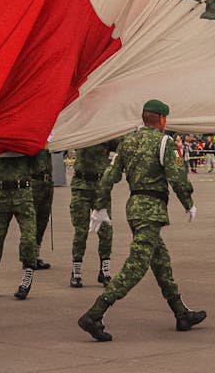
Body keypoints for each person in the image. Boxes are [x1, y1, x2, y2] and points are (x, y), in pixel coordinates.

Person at [77, 98, 204, 342]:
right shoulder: (165, 142)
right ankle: (95, 313)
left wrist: (100, 206)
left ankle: (181, 313)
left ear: (144, 119)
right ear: (163, 120)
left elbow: (108, 176)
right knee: (136, 265)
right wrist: (188, 203)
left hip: (134, 208)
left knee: (161, 263)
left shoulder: (127, 142)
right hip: (151, 210)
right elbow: (177, 177)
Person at [0, 150, 39, 300]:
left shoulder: (24, 142)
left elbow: (39, 166)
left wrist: (42, 148)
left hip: (23, 194)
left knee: (29, 238)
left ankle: (27, 276)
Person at [70, 141, 114, 288]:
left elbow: (120, 144)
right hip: (81, 186)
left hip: (101, 187)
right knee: (81, 231)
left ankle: (105, 270)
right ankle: (76, 271)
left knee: (106, 231)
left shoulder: (105, 131)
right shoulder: (81, 127)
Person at [30, 147, 54, 270]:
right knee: (31, 222)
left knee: (43, 220)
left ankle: (36, 255)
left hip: (48, 183)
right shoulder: (34, 136)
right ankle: (29, 257)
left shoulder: (49, 137)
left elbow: (59, 149)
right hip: (35, 182)